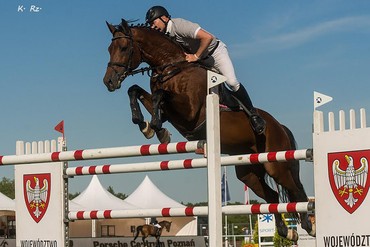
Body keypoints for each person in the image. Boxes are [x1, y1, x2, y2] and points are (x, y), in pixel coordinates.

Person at [145, 6, 266, 135]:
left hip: (215, 54)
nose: (153, 27)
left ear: (164, 18)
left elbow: (207, 37)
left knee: (232, 82)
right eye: (150, 24)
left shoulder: (179, 25)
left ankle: (253, 114)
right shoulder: (165, 35)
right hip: (201, 60)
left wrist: (196, 56)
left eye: (153, 22)